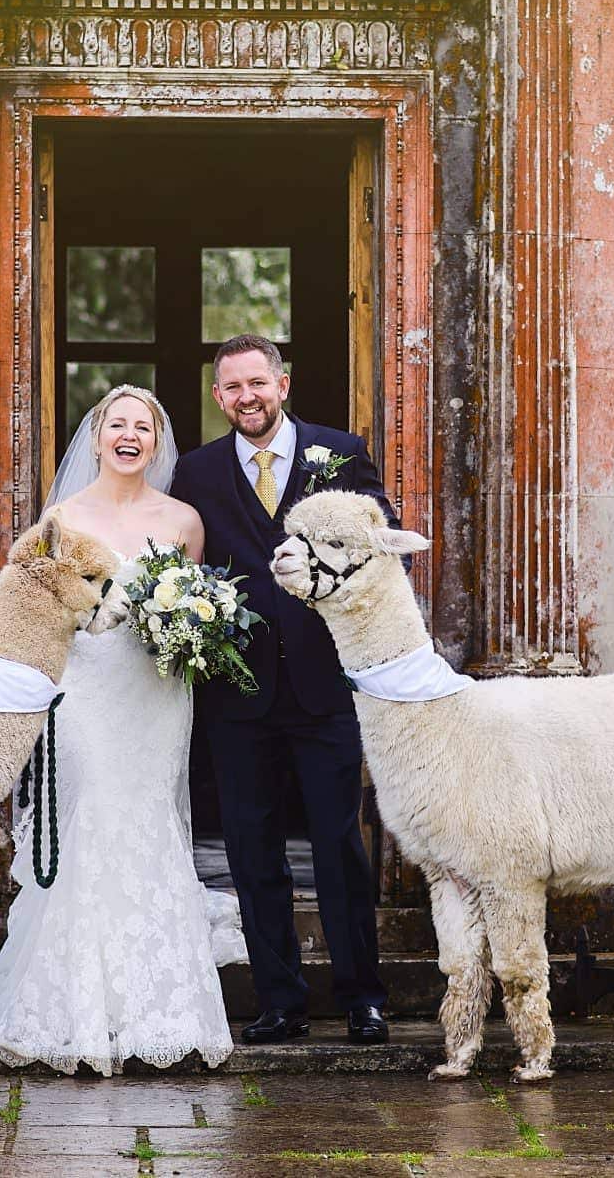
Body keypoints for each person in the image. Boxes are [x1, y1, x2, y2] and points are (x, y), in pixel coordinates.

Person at [0, 384, 246, 1076]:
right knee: (94, 818)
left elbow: (198, 605)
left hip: (156, 696)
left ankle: (159, 1008)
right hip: (85, 693)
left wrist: (189, 624)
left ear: (159, 442)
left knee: (148, 821)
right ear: (99, 435)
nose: (131, 434)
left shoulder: (184, 521)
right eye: (119, 423)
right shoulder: (62, 517)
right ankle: (73, 1007)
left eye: (145, 425)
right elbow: (33, 609)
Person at [168, 335, 392, 1045]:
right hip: (239, 694)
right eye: (232, 387)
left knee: (338, 845)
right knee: (252, 848)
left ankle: (363, 997)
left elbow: (379, 548)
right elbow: (182, 569)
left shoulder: (340, 451)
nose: (247, 397)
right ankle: (280, 1000)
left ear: (283, 383)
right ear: (218, 397)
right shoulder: (197, 473)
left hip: (325, 682)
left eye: (257, 382)